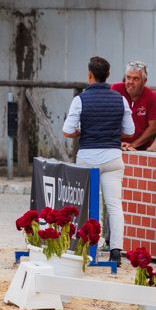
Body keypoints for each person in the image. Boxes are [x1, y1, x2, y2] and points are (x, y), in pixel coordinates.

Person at [63, 56, 135, 263]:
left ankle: (88, 246)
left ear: (90, 75)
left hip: (88, 158)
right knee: (114, 205)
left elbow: (67, 131)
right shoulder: (120, 99)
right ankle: (115, 251)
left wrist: (81, 131)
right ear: (108, 76)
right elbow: (129, 131)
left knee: (86, 204)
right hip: (113, 157)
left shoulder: (80, 100)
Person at [114, 61, 156, 151]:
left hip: (142, 149)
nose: (130, 82)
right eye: (128, 77)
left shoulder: (152, 97)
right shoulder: (115, 90)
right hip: (116, 146)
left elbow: (153, 127)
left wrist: (132, 145)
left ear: (144, 81)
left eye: (136, 79)